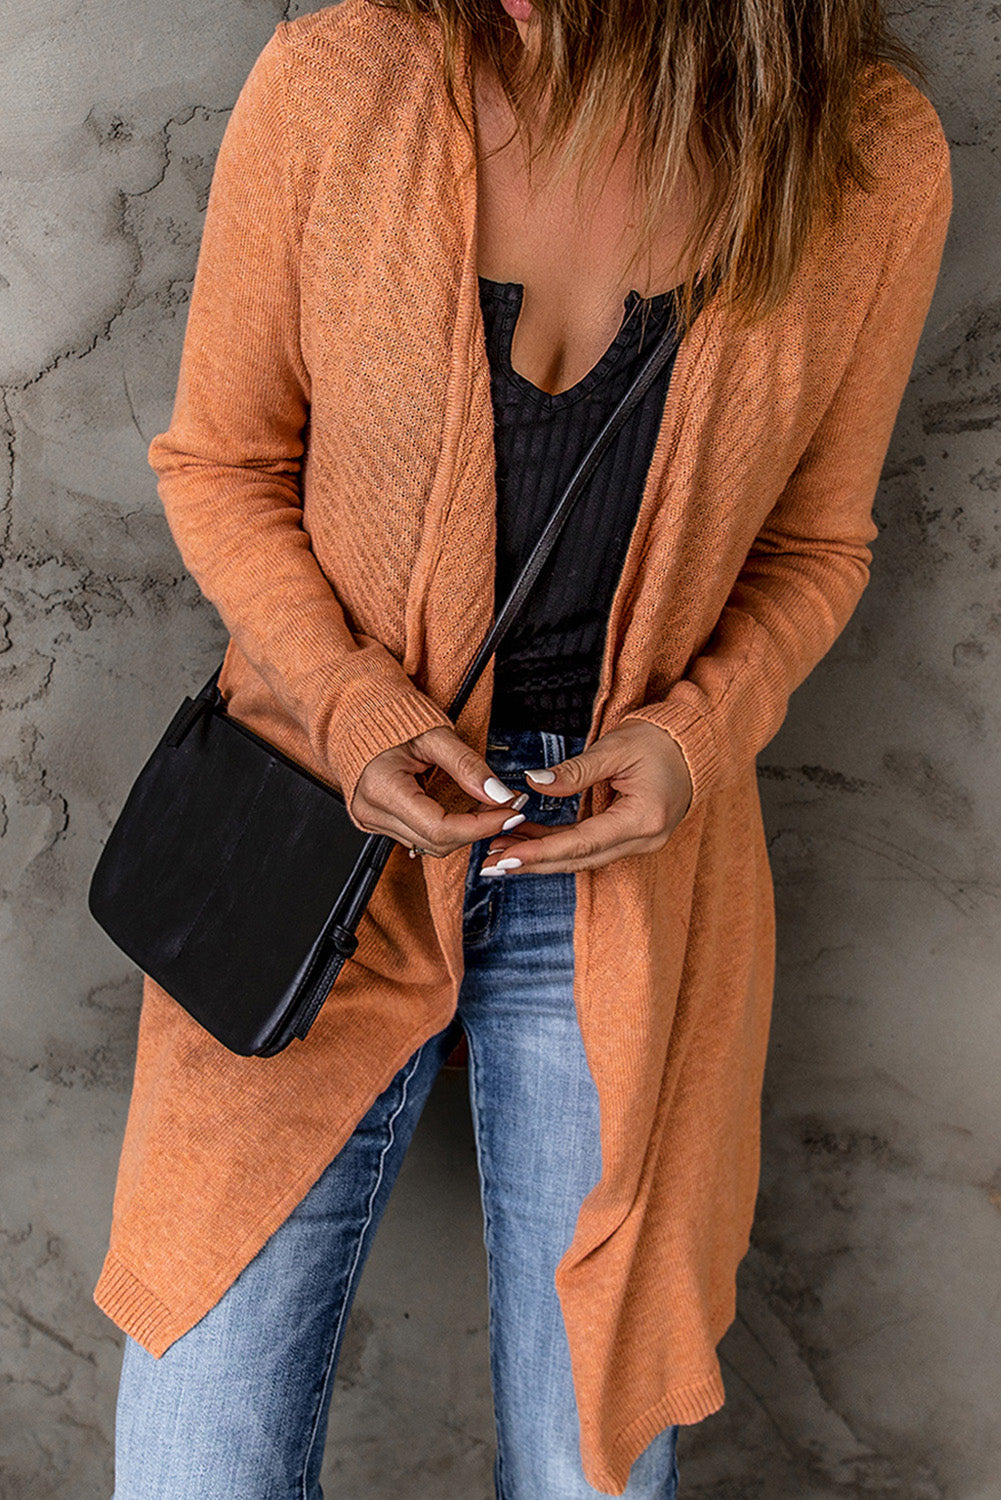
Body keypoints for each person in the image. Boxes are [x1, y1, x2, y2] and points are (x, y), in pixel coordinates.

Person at [98, 0, 952, 1494]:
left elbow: (820, 542)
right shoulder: (336, 85)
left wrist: (693, 737)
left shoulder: (862, 155)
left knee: (586, 1472)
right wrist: (354, 701)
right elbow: (219, 464)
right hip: (314, 830)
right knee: (193, 1462)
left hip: (621, 875)